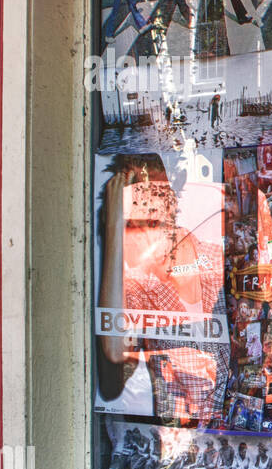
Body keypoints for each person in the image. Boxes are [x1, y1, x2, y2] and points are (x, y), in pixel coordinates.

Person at [96, 154, 230, 425]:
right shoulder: (141, 289)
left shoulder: (217, 259)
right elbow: (115, 349)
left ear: (171, 203)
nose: (143, 238)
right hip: (184, 444)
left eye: (152, 222)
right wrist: (113, 229)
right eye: (131, 228)